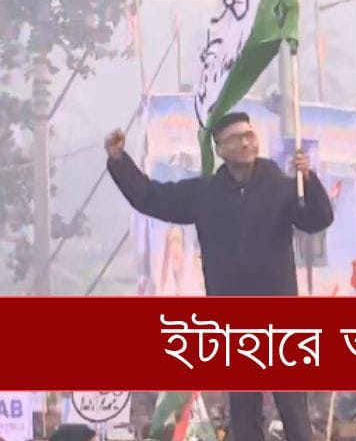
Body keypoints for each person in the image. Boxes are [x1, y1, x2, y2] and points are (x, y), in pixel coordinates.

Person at [106, 110, 334, 441]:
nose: (245, 143)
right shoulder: (205, 194)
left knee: (293, 407)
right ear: (220, 149)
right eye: (236, 139)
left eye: (249, 136)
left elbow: (317, 219)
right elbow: (150, 198)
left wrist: (308, 181)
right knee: (244, 413)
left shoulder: (282, 187)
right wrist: (118, 160)